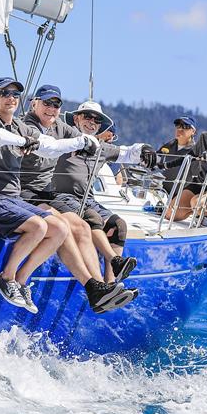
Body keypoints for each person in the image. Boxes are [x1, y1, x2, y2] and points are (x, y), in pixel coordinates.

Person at [19, 85, 137, 313]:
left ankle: (106, 287)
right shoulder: (38, 128)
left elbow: (118, 151)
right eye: (46, 103)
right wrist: (79, 142)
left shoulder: (74, 135)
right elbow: (48, 146)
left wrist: (143, 152)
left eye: (56, 105)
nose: (51, 108)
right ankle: (100, 282)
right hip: (41, 195)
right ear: (34, 103)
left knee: (103, 226)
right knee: (76, 223)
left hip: (57, 196)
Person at [0, 77, 69, 313]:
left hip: (14, 199)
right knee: (38, 227)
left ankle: (21, 281)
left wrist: (84, 142)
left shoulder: (21, 127)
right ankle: (6, 277)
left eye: (15, 95)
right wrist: (23, 141)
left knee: (60, 229)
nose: (11, 98)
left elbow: (50, 145)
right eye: (5, 93)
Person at [53, 101, 157, 283]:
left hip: (86, 200)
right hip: (61, 197)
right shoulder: (64, 138)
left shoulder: (100, 148)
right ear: (76, 118)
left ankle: (110, 284)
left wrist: (144, 149)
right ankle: (114, 262)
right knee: (92, 217)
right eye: (87, 116)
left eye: (97, 119)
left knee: (119, 226)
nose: (92, 122)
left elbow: (127, 152)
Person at [158, 116, 197, 193]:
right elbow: (154, 162)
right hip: (161, 193)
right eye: (178, 126)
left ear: (193, 131)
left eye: (185, 126)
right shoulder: (167, 146)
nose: (180, 130)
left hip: (179, 198)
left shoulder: (195, 151)